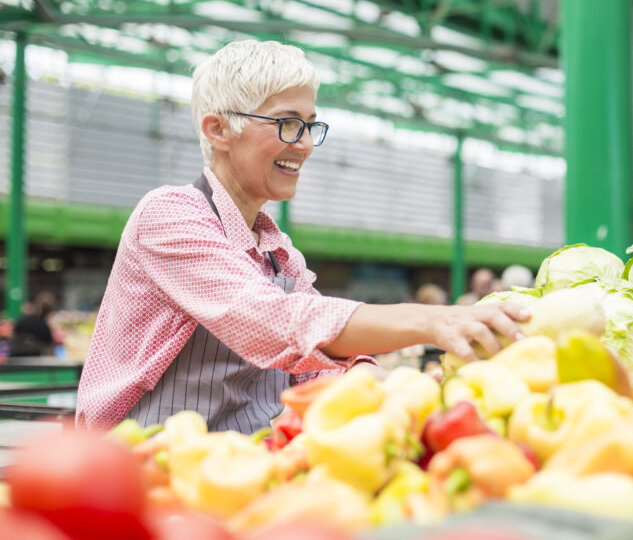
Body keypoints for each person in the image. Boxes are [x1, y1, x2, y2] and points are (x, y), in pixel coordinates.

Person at [75, 40, 529, 432]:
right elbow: (272, 320)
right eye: (288, 123)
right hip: (139, 472)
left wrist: (419, 390)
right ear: (218, 130)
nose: (306, 143)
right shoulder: (169, 215)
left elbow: (315, 374)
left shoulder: (277, 252)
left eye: (311, 124)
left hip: (244, 468)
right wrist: (436, 321)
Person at [10, 291, 57, 357]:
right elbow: (49, 345)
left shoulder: (24, 319)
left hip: (17, 357)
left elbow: (13, 335)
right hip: (35, 358)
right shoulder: (44, 325)